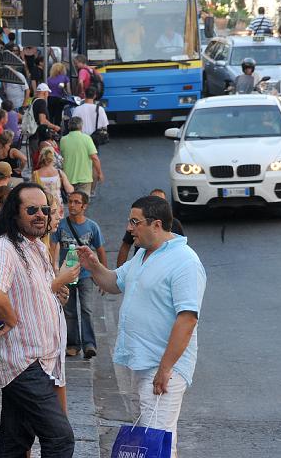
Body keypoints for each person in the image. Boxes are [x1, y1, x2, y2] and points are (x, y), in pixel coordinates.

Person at [76, 195, 206, 458]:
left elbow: (188, 319)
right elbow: (114, 283)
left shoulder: (185, 261)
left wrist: (166, 368)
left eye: (135, 222)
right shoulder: (143, 256)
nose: (129, 228)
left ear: (156, 225)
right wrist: (93, 265)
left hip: (163, 366)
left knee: (154, 435)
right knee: (156, 440)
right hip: (140, 363)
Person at [0, 182, 78, 457]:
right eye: (32, 209)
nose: (41, 215)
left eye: (45, 209)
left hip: (41, 360)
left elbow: (35, 291)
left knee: (15, 442)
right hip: (23, 362)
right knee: (60, 438)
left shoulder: (35, 247)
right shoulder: (4, 248)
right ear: (14, 213)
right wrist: (10, 320)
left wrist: (55, 298)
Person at [52, 191, 106, 359]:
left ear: (84, 206)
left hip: (85, 275)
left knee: (86, 309)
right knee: (69, 311)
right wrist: (53, 270)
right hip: (67, 276)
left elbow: (101, 251)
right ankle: (73, 344)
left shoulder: (92, 227)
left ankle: (89, 344)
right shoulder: (61, 226)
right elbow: (52, 247)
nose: (72, 205)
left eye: (76, 202)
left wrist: (103, 276)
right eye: (70, 202)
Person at [117, 189, 184, 267]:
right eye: (153, 200)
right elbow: (125, 247)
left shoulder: (175, 224)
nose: (129, 228)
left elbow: (181, 246)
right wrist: (119, 272)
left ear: (157, 225)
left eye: (161, 202)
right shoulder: (141, 253)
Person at [59, 116, 103, 197]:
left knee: (72, 204)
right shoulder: (87, 138)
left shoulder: (63, 140)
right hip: (84, 179)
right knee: (82, 205)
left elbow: (62, 156)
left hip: (69, 179)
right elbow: (95, 158)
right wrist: (99, 173)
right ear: (81, 126)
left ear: (68, 126)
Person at [33, 147, 73, 218]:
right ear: (53, 159)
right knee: (57, 224)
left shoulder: (36, 174)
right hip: (58, 205)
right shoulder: (59, 172)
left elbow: (32, 191)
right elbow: (69, 189)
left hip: (43, 205)